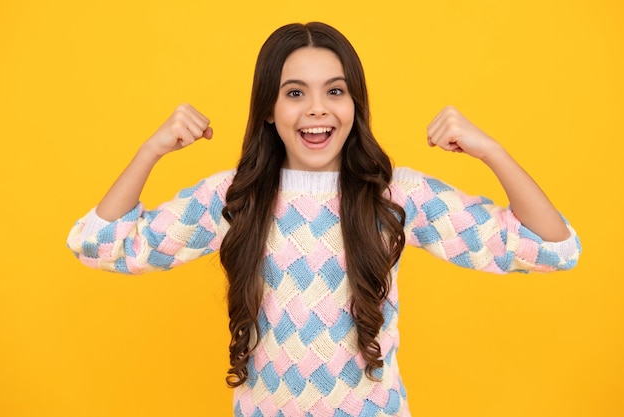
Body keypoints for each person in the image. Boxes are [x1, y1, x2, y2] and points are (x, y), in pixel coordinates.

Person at [67, 21, 581, 417]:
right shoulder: (233, 198)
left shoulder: (395, 197)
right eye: (295, 93)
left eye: (335, 91)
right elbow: (99, 243)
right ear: (268, 109)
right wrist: (150, 150)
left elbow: (553, 248)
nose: (317, 109)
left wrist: (492, 152)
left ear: (354, 103)